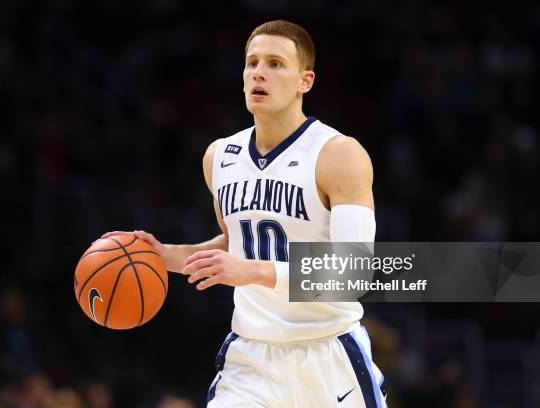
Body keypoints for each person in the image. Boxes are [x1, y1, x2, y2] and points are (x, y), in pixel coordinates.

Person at [103, 20, 387, 407]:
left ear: (306, 81)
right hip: (251, 359)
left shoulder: (339, 154)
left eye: (275, 63)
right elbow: (235, 244)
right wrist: (162, 254)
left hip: (327, 353)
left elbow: (354, 272)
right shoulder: (219, 157)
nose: (258, 72)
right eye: (252, 62)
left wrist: (254, 271)